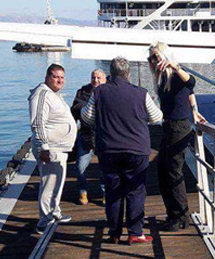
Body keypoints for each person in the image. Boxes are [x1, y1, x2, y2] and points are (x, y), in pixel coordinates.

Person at [82, 57, 163, 244]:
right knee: (135, 191)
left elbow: (87, 117)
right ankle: (135, 232)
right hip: (137, 149)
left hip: (109, 149)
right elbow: (157, 117)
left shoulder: (99, 92)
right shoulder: (141, 93)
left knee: (113, 191)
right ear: (128, 73)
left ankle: (115, 232)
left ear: (110, 73)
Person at [147, 42, 206, 232]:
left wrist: (174, 66)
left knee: (173, 171)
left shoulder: (177, 74)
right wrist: (195, 110)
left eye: (156, 56)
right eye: (150, 58)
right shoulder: (163, 78)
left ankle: (181, 216)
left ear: (164, 56)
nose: (153, 61)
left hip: (179, 127)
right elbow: (191, 94)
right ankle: (174, 213)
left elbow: (191, 83)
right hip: (169, 126)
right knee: (163, 171)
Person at [28, 64, 77, 233]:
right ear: (48, 76)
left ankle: (54, 213)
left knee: (57, 183)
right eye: (56, 77)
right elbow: (38, 123)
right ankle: (44, 221)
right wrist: (44, 147)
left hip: (60, 148)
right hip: (51, 148)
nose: (60, 80)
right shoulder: (41, 94)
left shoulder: (53, 94)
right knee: (49, 184)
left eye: (62, 77)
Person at [71, 68, 107, 205]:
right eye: (93, 77)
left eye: (99, 78)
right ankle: (82, 190)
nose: (96, 80)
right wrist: (89, 108)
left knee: (105, 166)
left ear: (104, 79)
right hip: (86, 134)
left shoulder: (109, 92)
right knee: (80, 165)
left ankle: (105, 191)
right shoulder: (83, 91)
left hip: (104, 135)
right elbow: (75, 107)